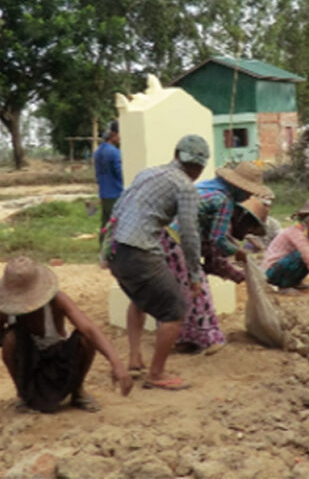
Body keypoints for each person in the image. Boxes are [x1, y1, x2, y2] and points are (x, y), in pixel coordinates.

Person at [105, 134, 209, 391]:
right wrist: (195, 274)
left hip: (116, 248)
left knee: (138, 299)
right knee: (174, 309)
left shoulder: (148, 173)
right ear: (198, 166)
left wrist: (105, 250)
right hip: (139, 251)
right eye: (195, 167)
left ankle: (134, 358)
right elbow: (189, 233)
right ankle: (156, 374)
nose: (194, 171)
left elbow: (118, 208)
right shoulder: (185, 186)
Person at [0, 256, 133, 414]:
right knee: (10, 339)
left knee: (85, 339)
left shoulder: (56, 301)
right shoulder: (2, 310)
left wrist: (116, 362)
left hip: (60, 360)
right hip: (29, 363)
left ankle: (77, 391)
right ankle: (24, 395)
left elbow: (89, 329)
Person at [162, 196, 269, 353]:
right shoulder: (224, 227)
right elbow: (216, 262)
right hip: (176, 247)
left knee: (187, 294)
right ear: (241, 218)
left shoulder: (225, 226)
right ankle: (207, 341)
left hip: (171, 247)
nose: (247, 232)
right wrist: (240, 276)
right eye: (249, 227)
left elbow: (212, 261)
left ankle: (187, 340)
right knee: (199, 294)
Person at [194, 162, 274, 278]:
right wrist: (238, 255)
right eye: (248, 192)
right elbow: (216, 257)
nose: (248, 197)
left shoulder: (206, 187)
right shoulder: (224, 201)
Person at [94, 120, 124, 246]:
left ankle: (102, 249)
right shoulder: (114, 153)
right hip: (115, 193)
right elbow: (120, 174)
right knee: (117, 225)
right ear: (114, 135)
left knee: (105, 223)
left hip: (104, 193)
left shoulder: (98, 151)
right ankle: (113, 252)